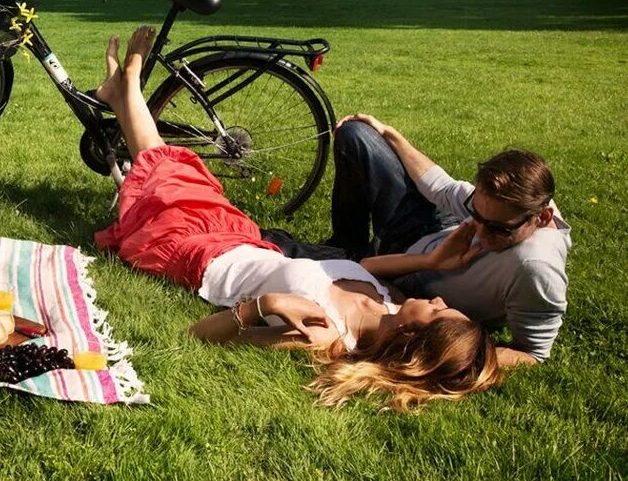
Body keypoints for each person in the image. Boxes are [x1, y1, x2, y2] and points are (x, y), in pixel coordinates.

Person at [93, 27, 500, 412]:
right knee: (185, 174)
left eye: (439, 312)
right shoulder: (389, 301)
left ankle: (127, 93)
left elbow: (197, 336)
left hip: (199, 255)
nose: (441, 300)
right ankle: (123, 95)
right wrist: (429, 262)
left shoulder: (325, 333)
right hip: (245, 240)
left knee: (172, 177)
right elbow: (366, 267)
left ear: (415, 336)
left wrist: (262, 306)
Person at [324, 113, 571, 368]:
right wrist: (388, 133)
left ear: (542, 218)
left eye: (498, 229)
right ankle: (346, 246)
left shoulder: (536, 268)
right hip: (428, 228)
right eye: (476, 215)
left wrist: (442, 353)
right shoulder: (521, 199)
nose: (480, 233)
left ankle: (344, 261)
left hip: (407, 274)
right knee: (356, 133)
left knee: (284, 250)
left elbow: (533, 353)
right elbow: (444, 188)